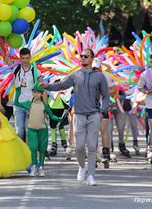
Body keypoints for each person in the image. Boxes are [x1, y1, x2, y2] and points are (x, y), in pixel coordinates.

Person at [40, 49, 110, 186]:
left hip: (94, 115)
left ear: (91, 59)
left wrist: (102, 111)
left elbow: (106, 95)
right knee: (78, 147)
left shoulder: (100, 76)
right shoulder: (75, 75)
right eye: (81, 56)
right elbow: (61, 85)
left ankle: (91, 175)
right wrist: (47, 86)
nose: (83, 58)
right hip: (78, 115)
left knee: (91, 146)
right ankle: (82, 167)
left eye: (86, 56)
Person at [14, 84, 62, 176]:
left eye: (38, 92)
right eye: (34, 92)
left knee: (42, 149)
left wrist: (58, 118)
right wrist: (18, 91)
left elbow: (51, 115)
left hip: (42, 130)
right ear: (32, 93)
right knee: (33, 148)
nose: (36, 94)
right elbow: (17, 103)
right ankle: (34, 167)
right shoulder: (29, 104)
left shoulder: (45, 105)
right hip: (32, 129)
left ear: (41, 94)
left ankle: (41, 168)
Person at [2, 47, 45, 141]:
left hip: (31, 104)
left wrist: (44, 105)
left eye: (27, 58)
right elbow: (5, 57)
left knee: (29, 130)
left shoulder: (35, 71)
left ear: (30, 57)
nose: (25, 60)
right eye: (23, 58)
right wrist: (1, 42)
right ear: (20, 58)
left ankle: (29, 152)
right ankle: (21, 152)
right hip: (18, 104)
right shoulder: (16, 68)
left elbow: (43, 87)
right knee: (19, 131)